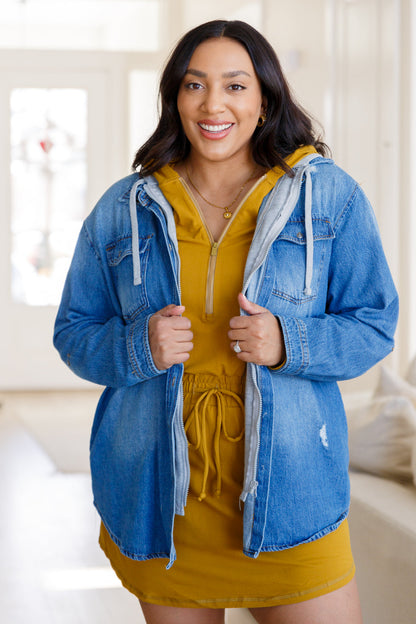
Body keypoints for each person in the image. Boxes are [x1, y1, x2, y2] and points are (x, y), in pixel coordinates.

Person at [54, 19, 398, 624]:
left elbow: (374, 322)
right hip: (164, 507)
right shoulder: (122, 208)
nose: (214, 104)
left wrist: (289, 342)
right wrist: (140, 347)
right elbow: (75, 330)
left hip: (294, 500)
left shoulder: (329, 197)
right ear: (175, 98)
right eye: (195, 84)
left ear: (264, 99)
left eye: (235, 86)